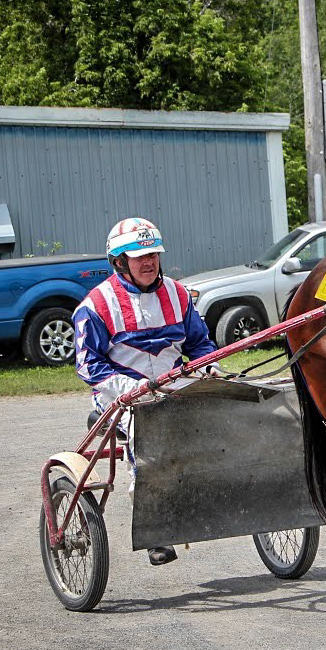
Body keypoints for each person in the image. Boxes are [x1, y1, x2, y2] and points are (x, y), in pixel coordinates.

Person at [73, 218, 218, 566]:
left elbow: (200, 345)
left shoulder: (178, 294)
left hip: (173, 383)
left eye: (152, 253)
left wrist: (207, 366)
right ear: (120, 261)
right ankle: (156, 530)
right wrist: (130, 387)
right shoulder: (96, 305)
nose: (149, 261)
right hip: (121, 396)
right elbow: (87, 365)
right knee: (150, 431)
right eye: (139, 256)